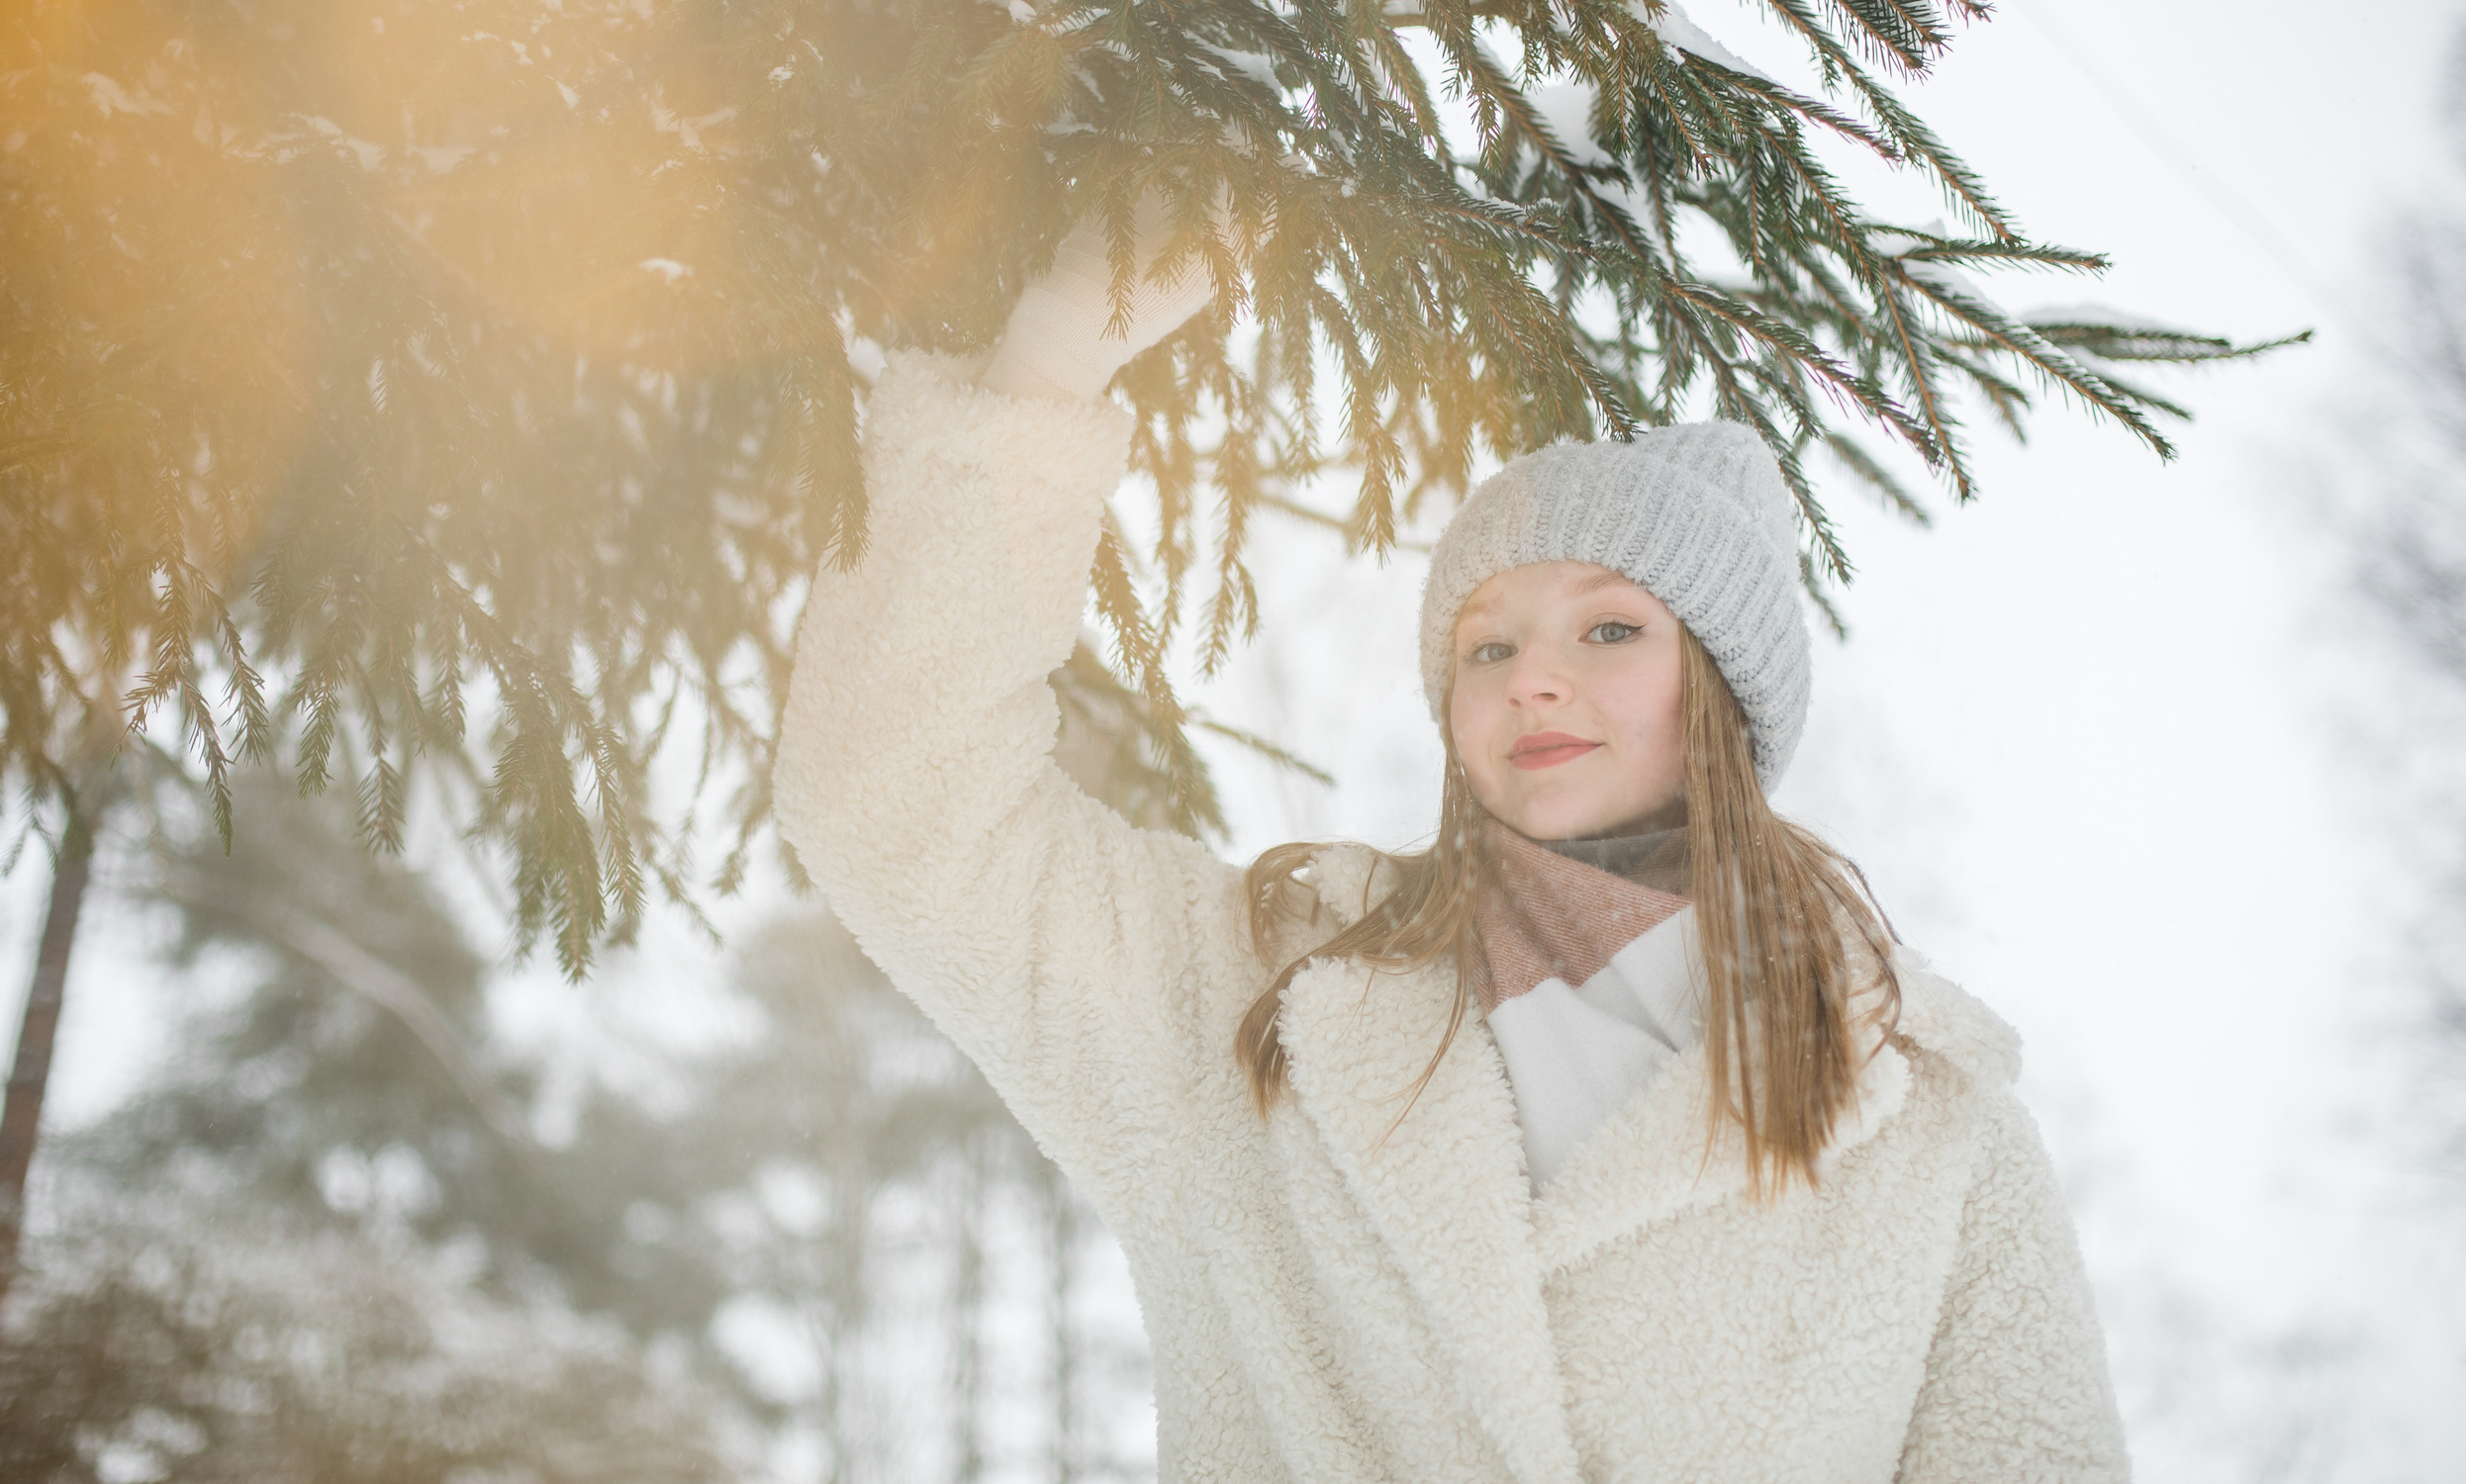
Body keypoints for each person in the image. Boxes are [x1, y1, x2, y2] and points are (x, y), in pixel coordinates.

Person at [772, 206, 2128, 1483]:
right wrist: (1045, 371)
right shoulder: (1254, 1011)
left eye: (1608, 629)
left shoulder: (1931, 1136)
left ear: (1719, 690)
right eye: (1490, 644)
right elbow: (896, 804)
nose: (1535, 679)